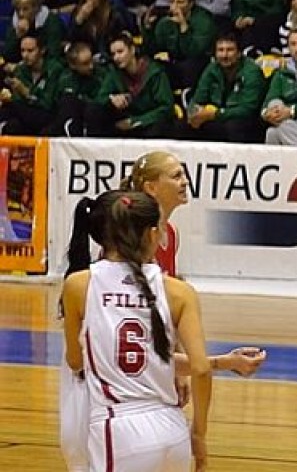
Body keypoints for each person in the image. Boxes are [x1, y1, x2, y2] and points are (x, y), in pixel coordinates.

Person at [61, 190, 218, 472]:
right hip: (173, 429)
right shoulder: (180, 291)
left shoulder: (78, 285)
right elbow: (202, 369)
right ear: (153, 234)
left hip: (118, 427)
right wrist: (199, 435)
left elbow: (75, 361)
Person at [185, 34, 269, 144]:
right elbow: (197, 99)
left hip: (247, 121)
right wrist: (193, 114)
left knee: (232, 127)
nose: (224, 55)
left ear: (239, 53)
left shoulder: (251, 71)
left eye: (229, 50)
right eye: (220, 50)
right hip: (218, 118)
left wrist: (216, 114)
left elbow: (248, 109)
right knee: (184, 126)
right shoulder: (211, 69)